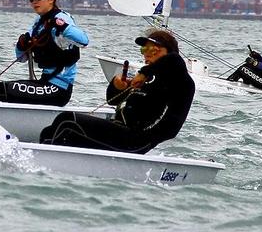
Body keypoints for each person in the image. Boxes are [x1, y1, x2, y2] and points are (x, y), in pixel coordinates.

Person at [39, 28, 195, 153]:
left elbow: (175, 61)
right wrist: (116, 86)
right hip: (119, 130)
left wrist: (146, 72)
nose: (146, 54)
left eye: (151, 49)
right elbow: (112, 101)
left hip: (138, 140)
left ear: (167, 51)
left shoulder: (180, 80)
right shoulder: (146, 78)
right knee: (51, 129)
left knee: (67, 121)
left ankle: (46, 160)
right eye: (143, 49)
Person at [0, 0, 88, 106]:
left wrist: (61, 26)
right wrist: (21, 44)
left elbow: (84, 41)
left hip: (58, 89)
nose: (34, 2)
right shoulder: (39, 23)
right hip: (44, 83)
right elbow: (21, 58)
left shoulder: (63, 18)